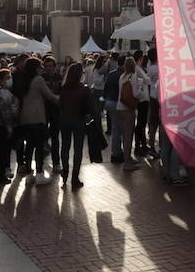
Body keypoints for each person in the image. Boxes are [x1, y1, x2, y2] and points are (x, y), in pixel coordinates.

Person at [14, 57, 58, 184]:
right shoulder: (38, 80)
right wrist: (60, 101)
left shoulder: (23, 79)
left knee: (29, 147)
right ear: (35, 68)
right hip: (38, 117)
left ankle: (29, 175)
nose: (41, 69)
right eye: (40, 67)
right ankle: (39, 174)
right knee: (39, 147)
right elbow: (49, 95)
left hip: (25, 118)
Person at [57, 62, 94, 190]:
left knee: (65, 148)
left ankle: (65, 173)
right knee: (78, 150)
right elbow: (90, 108)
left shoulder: (64, 88)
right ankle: (75, 178)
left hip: (65, 120)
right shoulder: (84, 89)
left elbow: (60, 105)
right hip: (79, 121)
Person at [0, 68, 19, 185]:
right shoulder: (3, 93)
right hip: (3, 126)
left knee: (2, 151)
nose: (10, 80)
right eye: (7, 78)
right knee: (2, 152)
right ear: (1, 81)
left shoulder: (0, 91)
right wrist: (9, 128)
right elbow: (5, 112)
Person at [117, 57, 141, 171]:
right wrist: (141, 90)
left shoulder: (122, 76)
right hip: (128, 108)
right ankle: (127, 162)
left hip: (120, 107)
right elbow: (135, 94)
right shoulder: (133, 76)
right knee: (128, 135)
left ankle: (128, 158)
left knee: (125, 134)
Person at [101, 54, 123, 164]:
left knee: (116, 127)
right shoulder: (124, 75)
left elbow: (105, 89)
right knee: (119, 129)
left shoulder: (111, 74)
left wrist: (104, 100)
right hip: (118, 103)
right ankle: (117, 152)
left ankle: (116, 151)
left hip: (109, 102)